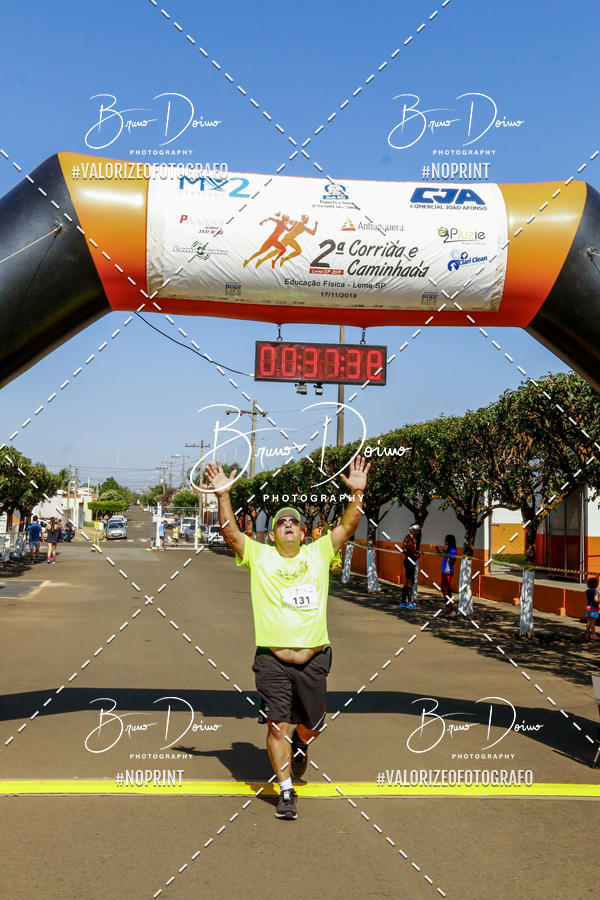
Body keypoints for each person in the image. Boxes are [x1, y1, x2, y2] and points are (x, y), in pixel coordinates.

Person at [204, 456, 370, 821]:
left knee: (314, 722)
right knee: (277, 722)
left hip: (314, 658)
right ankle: (286, 792)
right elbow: (231, 532)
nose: (289, 524)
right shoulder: (259, 557)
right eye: (281, 522)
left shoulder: (319, 552)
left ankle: (303, 741)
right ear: (273, 533)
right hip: (272, 659)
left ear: (303, 532)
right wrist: (223, 496)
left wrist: (357, 493)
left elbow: (348, 524)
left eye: (294, 520)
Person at [399, 524, 420, 608]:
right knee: (409, 582)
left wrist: (417, 554)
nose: (417, 531)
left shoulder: (414, 539)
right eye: (416, 529)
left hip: (411, 560)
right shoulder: (408, 538)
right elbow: (404, 549)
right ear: (411, 530)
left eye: (418, 530)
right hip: (409, 561)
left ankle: (403, 600)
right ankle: (410, 601)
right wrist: (413, 555)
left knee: (409, 581)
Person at [436, 534, 458, 610]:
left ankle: (449, 604)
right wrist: (436, 548)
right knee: (446, 589)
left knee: (444, 588)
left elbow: (453, 561)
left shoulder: (452, 550)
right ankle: (449, 603)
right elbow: (440, 554)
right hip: (444, 571)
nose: (444, 541)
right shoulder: (447, 549)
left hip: (448, 571)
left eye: (446, 539)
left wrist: (446, 555)